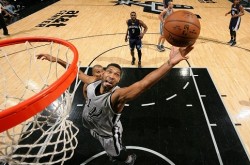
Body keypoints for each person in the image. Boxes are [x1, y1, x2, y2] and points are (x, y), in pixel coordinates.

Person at [36, 45, 194, 164]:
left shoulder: (117, 96)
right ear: (103, 73)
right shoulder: (92, 82)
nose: (112, 76)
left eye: (116, 75)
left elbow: (143, 84)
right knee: (103, 142)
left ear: (119, 81)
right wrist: (55, 59)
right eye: (109, 71)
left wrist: (169, 63)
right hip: (93, 127)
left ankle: (128, 159)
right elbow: (74, 71)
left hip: (109, 135)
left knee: (117, 154)